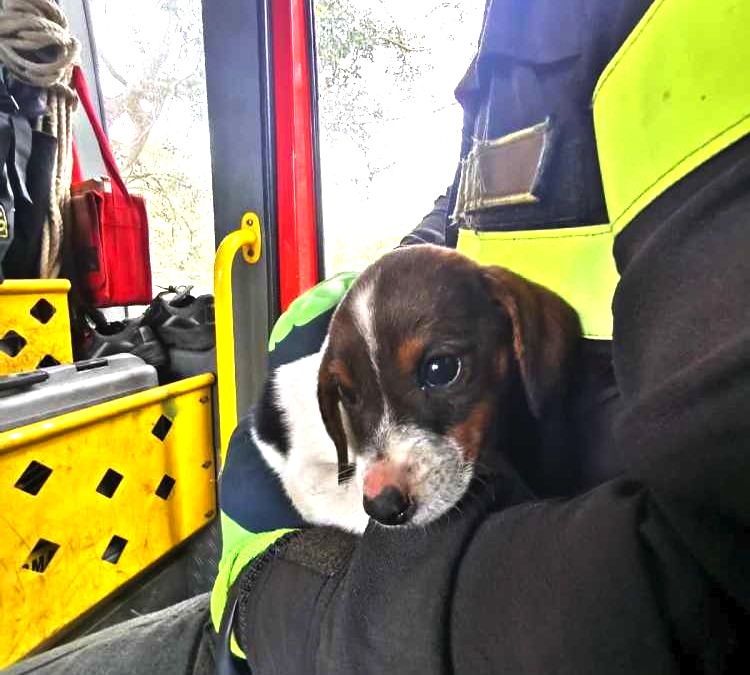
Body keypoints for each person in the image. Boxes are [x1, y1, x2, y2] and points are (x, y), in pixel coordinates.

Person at [6, 0, 750, 673]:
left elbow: (708, 577)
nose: (379, 475)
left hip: (396, 610)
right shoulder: (519, 35)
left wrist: (286, 599)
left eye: (441, 371)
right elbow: (464, 211)